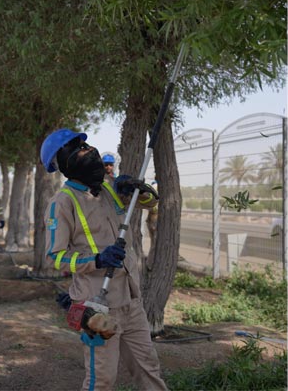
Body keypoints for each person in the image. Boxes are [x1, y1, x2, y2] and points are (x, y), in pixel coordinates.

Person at [40, 128, 168, 391]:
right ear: (65, 162)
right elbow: (57, 257)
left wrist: (136, 188)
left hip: (131, 301)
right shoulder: (62, 203)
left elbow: (149, 203)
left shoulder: (109, 189)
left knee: (149, 370)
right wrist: (97, 260)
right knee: (102, 380)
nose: (89, 150)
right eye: (78, 148)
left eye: (86, 145)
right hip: (96, 306)